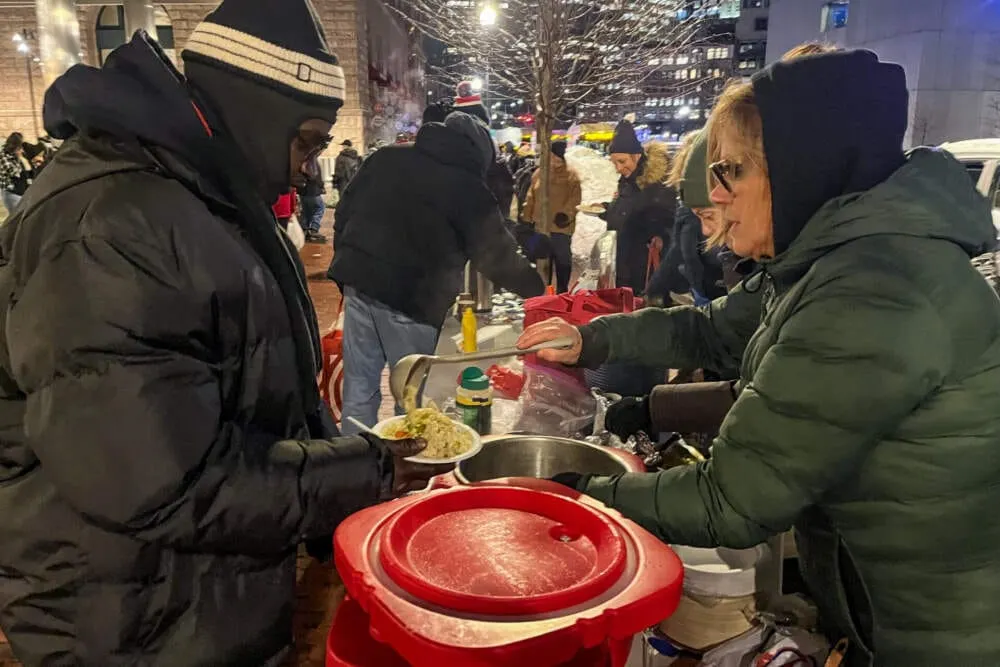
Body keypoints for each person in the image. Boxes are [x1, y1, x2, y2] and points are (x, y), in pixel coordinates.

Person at [0, 1, 439, 664]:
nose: (310, 168)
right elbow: (164, 483)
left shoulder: (209, 199)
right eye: (308, 141)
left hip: (189, 599)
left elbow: (266, 394)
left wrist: (350, 503)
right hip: (123, 623)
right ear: (255, 113)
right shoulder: (115, 228)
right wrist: (363, 475)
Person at [545, 50, 1000, 666]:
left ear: (798, 168)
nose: (715, 193)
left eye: (730, 170)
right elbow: (710, 332)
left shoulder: (875, 287)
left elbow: (730, 502)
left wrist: (576, 496)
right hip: (875, 601)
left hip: (938, 632)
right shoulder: (821, 263)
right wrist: (593, 340)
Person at [328, 111, 544, 434]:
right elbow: (495, 254)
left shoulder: (385, 158)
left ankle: (353, 469)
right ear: (477, 154)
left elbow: (344, 211)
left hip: (360, 286)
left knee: (359, 389)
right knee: (410, 398)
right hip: (412, 299)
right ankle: (406, 471)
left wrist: (349, 262)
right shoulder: (467, 186)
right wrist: (537, 291)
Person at [647, 131, 726, 306]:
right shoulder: (688, 209)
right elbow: (678, 250)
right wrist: (656, 286)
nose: (706, 229)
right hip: (702, 294)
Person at [601, 117, 677, 294]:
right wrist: (608, 210)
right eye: (614, 163)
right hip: (623, 260)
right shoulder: (627, 181)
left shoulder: (656, 183)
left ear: (636, 156)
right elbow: (626, 210)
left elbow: (666, 220)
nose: (618, 167)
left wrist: (659, 234)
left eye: (622, 161)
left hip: (643, 264)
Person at [522, 140, 582, 293]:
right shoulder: (539, 173)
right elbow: (530, 196)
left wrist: (566, 215)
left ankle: (562, 292)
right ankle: (540, 291)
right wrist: (526, 219)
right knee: (539, 261)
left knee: (563, 262)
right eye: (552, 157)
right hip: (540, 227)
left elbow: (575, 199)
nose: (554, 161)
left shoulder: (571, 175)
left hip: (560, 228)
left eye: (557, 158)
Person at [0, 132, 31, 213]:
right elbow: (15, 173)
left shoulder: (14, 154)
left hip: (21, 191)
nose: (21, 149)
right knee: (17, 219)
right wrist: (21, 158)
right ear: (14, 145)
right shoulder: (3, 156)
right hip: (11, 193)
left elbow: (28, 171)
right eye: (19, 146)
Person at [297, 168, 328, 243]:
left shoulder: (299, 161)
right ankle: (314, 229)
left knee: (306, 211)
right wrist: (321, 186)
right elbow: (317, 176)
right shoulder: (312, 161)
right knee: (320, 208)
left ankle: (304, 229)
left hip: (302, 191)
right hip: (313, 190)